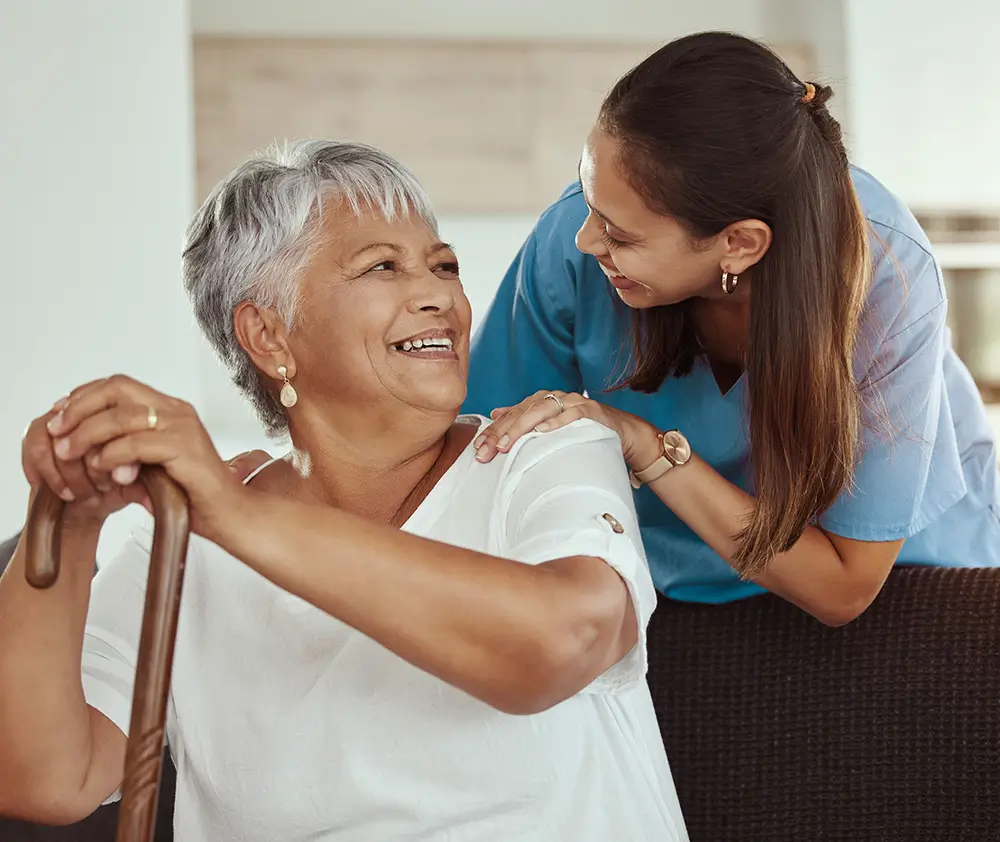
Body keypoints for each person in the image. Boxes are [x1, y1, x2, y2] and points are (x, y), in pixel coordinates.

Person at [0, 141, 687, 841]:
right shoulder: (180, 542)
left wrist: (236, 516)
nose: (439, 295)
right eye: (383, 267)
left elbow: (562, 644)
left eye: (442, 265)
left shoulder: (543, 449)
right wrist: (66, 517)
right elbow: (42, 780)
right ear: (267, 334)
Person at [465, 32, 1000, 627]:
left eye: (619, 235)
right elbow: (487, 459)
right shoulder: (576, 244)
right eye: (590, 203)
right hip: (665, 581)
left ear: (739, 244)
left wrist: (645, 445)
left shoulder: (889, 276)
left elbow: (842, 587)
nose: (585, 240)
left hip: (896, 580)